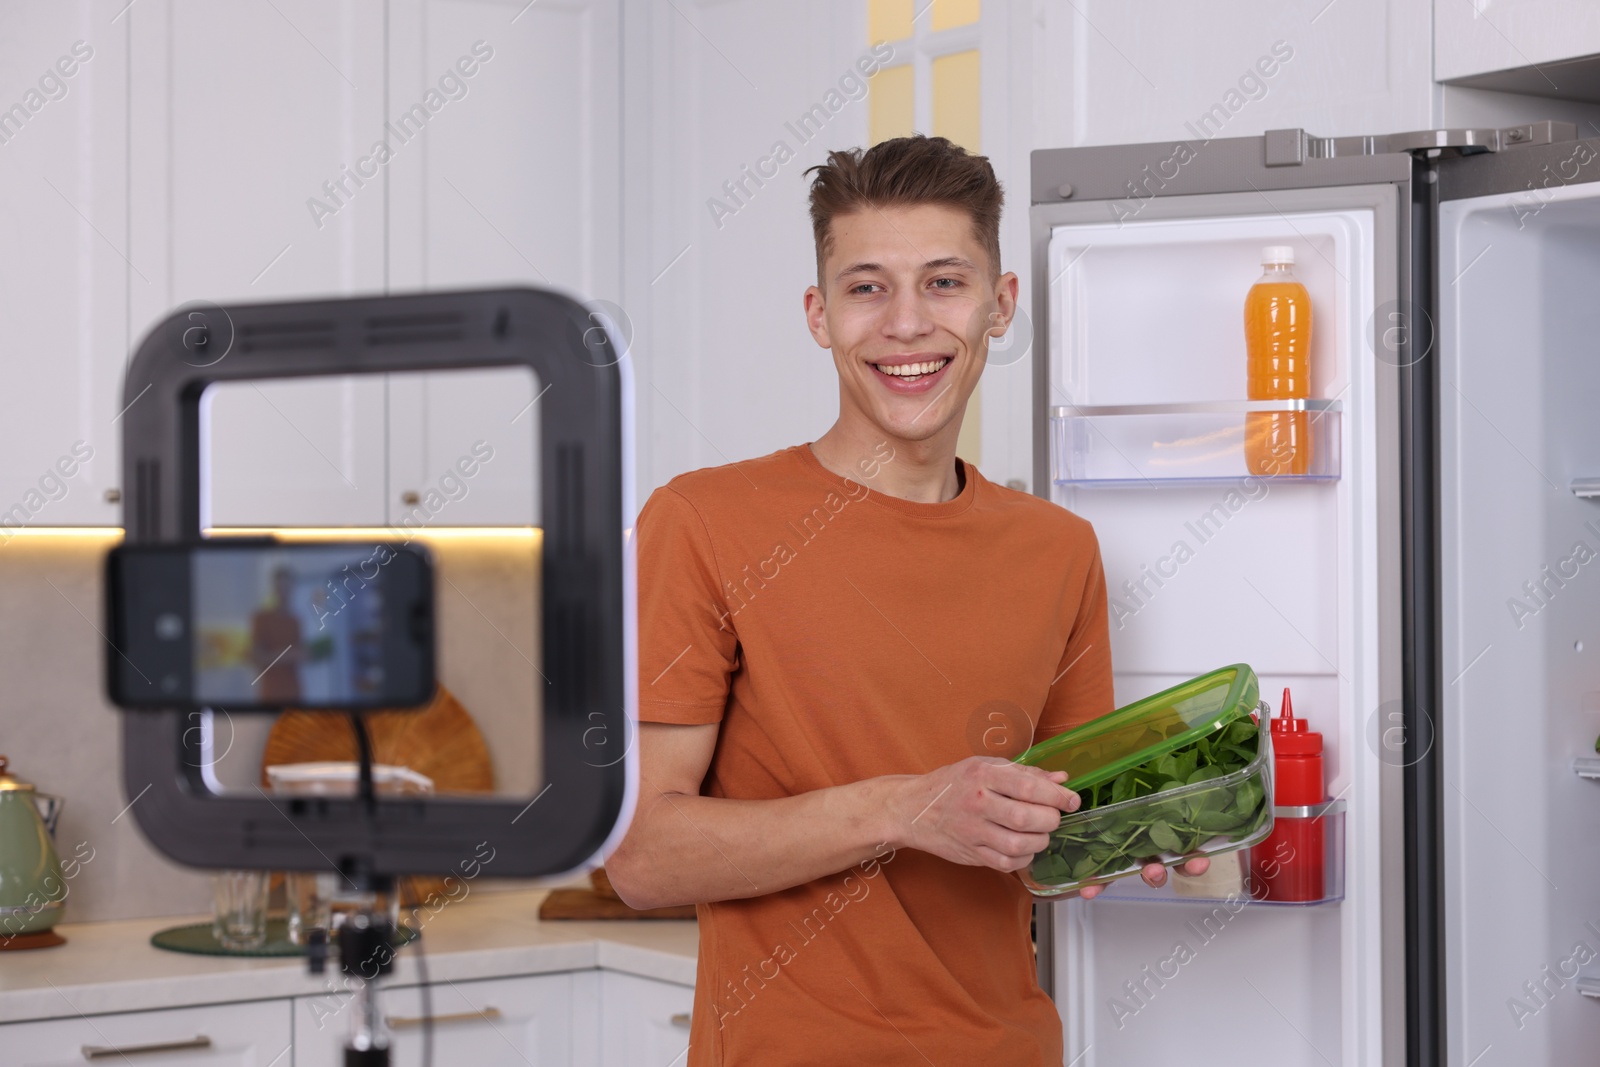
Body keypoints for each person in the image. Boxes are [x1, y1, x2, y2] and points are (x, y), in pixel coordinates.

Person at [606, 134, 1207, 1066]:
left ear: (1000, 305)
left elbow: (1051, 833)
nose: (905, 324)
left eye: (943, 282)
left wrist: (1147, 826)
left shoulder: (1059, 550)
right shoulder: (702, 522)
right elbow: (641, 854)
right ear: (819, 314)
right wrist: (904, 808)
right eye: (866, 287)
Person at [250, 564, 303, 702]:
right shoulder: (261, 618)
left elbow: (300, 654)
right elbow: (257, 658)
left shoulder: (295, 621)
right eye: (280, 588)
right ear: (274, 590)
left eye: (287, 588)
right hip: (271, 695)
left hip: (294, 693)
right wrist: (287, 656)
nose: (284, 593)